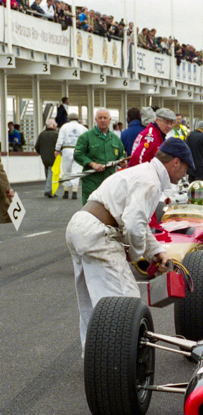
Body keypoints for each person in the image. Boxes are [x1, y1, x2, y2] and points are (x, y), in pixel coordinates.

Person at [65, 138, 194, 350]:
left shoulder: (141, 171)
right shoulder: (151, 182)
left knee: (92, 303)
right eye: (186, 168)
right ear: (176, 162)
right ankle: (121, 359)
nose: (184, 175)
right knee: (128, 303)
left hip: (80, 225)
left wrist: (157, 252)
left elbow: (138, 224)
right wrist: (135, 256)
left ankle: (94, 357)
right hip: (98, 232)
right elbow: (134, 225)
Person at [73, 108, 127, 204]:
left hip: (109, 181)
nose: (102, 120)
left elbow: (121, 155)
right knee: (90, 210)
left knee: (108, 210)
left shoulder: (115, 139)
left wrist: (122, 162)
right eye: (100, 118)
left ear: (110, 120)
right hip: (92, 181)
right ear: (96, 119)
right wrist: (93, 164)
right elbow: (78, 154)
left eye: (105, 118)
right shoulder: (86, 137)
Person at [55, 111, 88, 199]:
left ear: (68, 119)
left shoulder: (64, 127)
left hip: (66, 149)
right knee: (76, 171)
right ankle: (74, 192)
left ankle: (66, 191)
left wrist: (57, 149)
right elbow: (87, 141)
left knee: (66, 170)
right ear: (77, 119)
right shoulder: (83, 128)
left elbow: (60, 139)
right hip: (78, 150)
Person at [35, 119, 59, 198]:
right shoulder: (56, 134)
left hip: (44, 157)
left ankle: (51, 190)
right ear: (53, 125)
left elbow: (37, 146)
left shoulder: (42, 134)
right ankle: (49, 190)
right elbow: (59, 145)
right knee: (51, 173)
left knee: (47, 173)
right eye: (55, 124)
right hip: (53, 157)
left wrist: (41, 153)